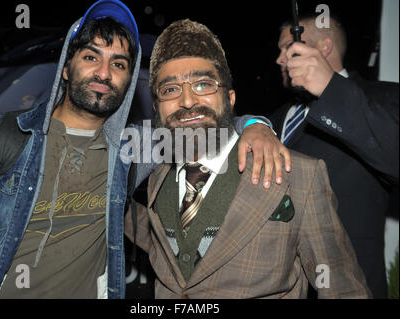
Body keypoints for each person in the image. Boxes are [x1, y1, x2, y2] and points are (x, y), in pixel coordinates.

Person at [0, 0, 289, 298]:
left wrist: (256, 126)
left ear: (128, 82)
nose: (103, 72)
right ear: (67, 69)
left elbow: (206, 126)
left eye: (119, 64)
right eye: (90, 56)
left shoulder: (135, 148)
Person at [124, 19, 370, 299]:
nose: (188, 101)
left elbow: (342, 288)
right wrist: (111, 209)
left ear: (229, 99)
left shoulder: (300, 177)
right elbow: (166, 246)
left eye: (203, 84)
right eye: (170, 90)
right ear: (156, 108)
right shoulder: (156, 178)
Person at [271, 14, 399, 298]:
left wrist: (331, 90)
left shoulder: (382, 97)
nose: (280, 59)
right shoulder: (275, 119)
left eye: (287, 49)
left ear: (324, 48)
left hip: (347, 284)